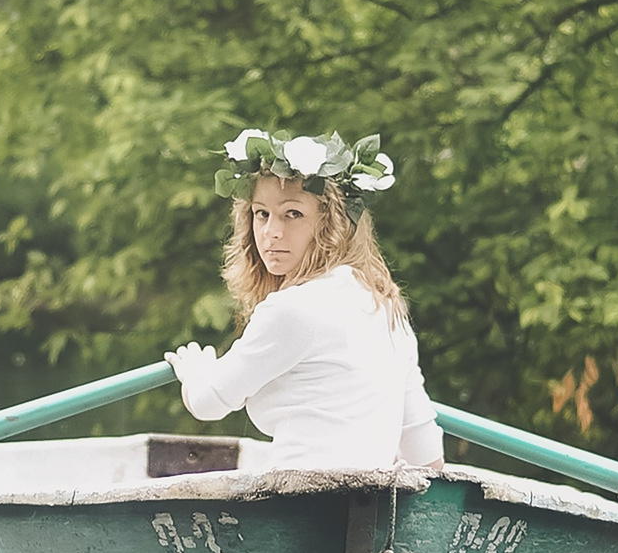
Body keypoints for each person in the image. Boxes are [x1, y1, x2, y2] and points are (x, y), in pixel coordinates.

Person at [166, 127, 441, 472]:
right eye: (261, 213)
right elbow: (426, 456)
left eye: (292, 214)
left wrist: (197, 370)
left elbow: (208, 402)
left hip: (299, 513)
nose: (271, 232)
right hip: (364, 511)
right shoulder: (384, 306)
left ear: (333, 225)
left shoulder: (292, 310)